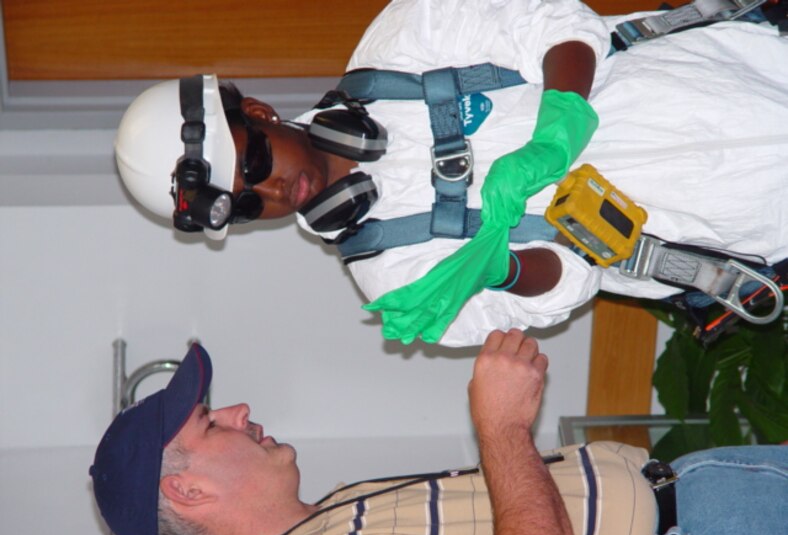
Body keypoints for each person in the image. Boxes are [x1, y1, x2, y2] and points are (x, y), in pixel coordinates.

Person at [113, 0, 788, 346]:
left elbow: (560, 25)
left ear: (257, 111)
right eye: (249, 202)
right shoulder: (400, 285)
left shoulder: (399, 43)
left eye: (253, 161)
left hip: (746, 67)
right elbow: (570, 286)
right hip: (751, 221)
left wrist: (559, 127)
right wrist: (496, 265)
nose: (272, 190)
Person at [90, 331, 788, 535]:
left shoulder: (318, 532)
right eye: (211, 421)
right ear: (186, 489)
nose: (239, 411)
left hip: (712, 517)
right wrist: (503, 428)